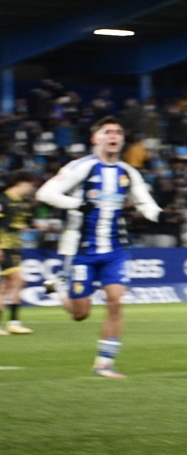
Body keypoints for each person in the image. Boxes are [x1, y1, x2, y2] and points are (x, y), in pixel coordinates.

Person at [36, 117, 161, 376]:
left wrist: (153, 212)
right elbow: (45, 194)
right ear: (96, 138)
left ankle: (104, 363)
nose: (114, 136)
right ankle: (60, 288)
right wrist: (76, 205)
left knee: (115, 302)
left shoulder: (127, 172)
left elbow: (144, 200)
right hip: (82, 251)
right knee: (80, 314)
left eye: (118, 132)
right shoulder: (81, 167)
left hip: (115, 250)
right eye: (108, 132)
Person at [0, 172, 39, 334]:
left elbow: (25, 223)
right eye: (30, 185)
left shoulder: (23, 203)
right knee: (18, 280)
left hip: (15, 247)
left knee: (7, 286)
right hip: (4, 246)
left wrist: (41, 227)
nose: (31, 189)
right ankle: (14, 322)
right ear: (21, 183)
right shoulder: (3, 200)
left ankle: (12, 323)